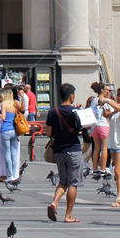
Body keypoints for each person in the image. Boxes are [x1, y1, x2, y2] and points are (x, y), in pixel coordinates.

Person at [45, 83, 83, 223]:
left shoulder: (52, 112)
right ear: (71, 95)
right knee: (73, 183)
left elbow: (48, 132)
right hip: (73, 149)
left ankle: (54, 202)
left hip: (59, 150)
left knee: (62, 181)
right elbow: (85, 128)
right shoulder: (75, 112)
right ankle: (68, 215)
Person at [0, 84, 24, 182]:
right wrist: (22, 97)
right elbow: (23, 109)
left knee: (7, 153)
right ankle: (15, 175)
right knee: (14, 154)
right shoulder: (15, 103)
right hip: (14, 130)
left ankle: (9, 175)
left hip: (5, 130)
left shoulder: (4, 103)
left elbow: (3, 117)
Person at [88, 83, 110, 177]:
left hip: (95, 126)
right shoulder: (105, 100)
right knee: (104, 148)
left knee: (96, 148)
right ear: (102, 90)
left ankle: (95, 169)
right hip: (104, 125)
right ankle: (103, 169)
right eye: (106, 90)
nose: (107, 92)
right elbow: (108, 113)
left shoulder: (93, 100)